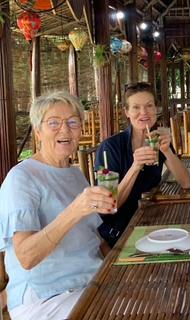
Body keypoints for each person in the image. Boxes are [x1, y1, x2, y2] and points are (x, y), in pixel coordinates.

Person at [0, 92, 116, 320]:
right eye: (53, 122)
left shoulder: (75, 174)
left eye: (73, 121)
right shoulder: (21, 177)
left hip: (92, 283)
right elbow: (26, 257)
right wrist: (75, 210)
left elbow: (95, 238)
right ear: (38, 131)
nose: (65, 129)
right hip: (47, 295)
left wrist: (117, 269)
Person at [94, 82, 190, 247]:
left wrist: (167, 151)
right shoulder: (110, 147)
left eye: (149, 106)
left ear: (156, 109)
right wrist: (135, 167)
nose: (144, 112)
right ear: (127, 112)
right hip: (119, 230)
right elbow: (109, 205)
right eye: (136, 107)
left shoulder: (157, 139)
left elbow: (186, 182)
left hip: (149, 220)